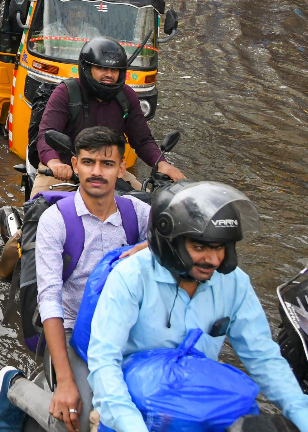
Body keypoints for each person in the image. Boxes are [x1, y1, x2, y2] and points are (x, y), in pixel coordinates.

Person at [86, 182, 308, 432]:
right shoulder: (131, 277)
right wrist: (131, 425)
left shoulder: (234, 282)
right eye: (199, 247)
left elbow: (263, 358)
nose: (212, 260)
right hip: (131, 410)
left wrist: (301, 412)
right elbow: (104, 362)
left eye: (220, 248)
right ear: (170, 243)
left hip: (198, 409)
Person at [0, 127, 150, 432]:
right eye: (89, 162)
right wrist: (65, 382)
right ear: (75, 165)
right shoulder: (56, 220)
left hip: (127, 328)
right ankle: (15, 389)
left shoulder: (139, 214)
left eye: (107, 164)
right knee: (76, 419)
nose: (97, 172)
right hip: (72, 328)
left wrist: (149, 247)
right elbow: (49, 300)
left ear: (122, 168)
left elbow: (179, 245)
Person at [33, 37, 184, 195]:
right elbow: (45, 134)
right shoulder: (66, 93)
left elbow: (143, 140)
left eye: (114, 70)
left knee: (147, 205)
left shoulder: (127, 96)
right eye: (102, 69)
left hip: (110, 171)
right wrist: (55, 163)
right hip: (66, 170)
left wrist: (162, 164)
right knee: (38, 209)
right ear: (87, 68)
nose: (109, 75)